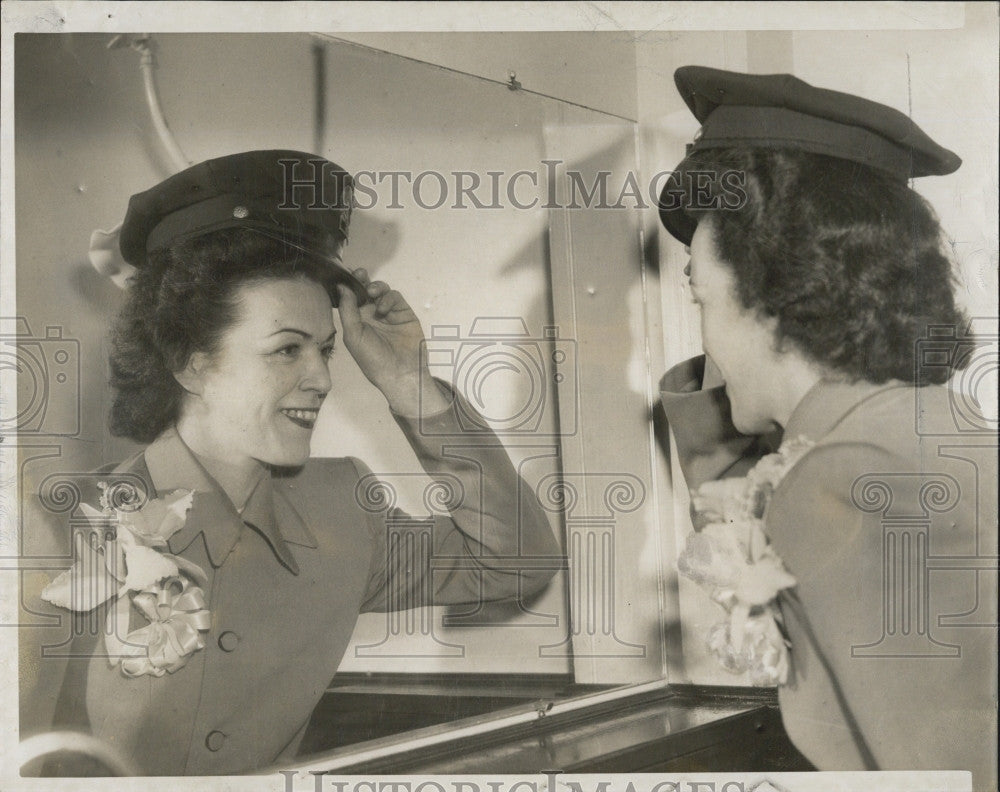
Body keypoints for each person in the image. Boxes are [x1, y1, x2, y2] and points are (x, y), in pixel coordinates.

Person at [19, 150, 560, 776]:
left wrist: (411, 387)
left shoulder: (346, 514)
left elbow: (519, 562)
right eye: (287, 350)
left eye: (327, 350)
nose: (323, 377)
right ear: (191, 363)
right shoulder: (59, 525)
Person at [657, 67, 997, 787]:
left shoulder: (847, 474)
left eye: (700, 294)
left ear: (773, 291)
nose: (706, 339)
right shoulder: (926, 426)